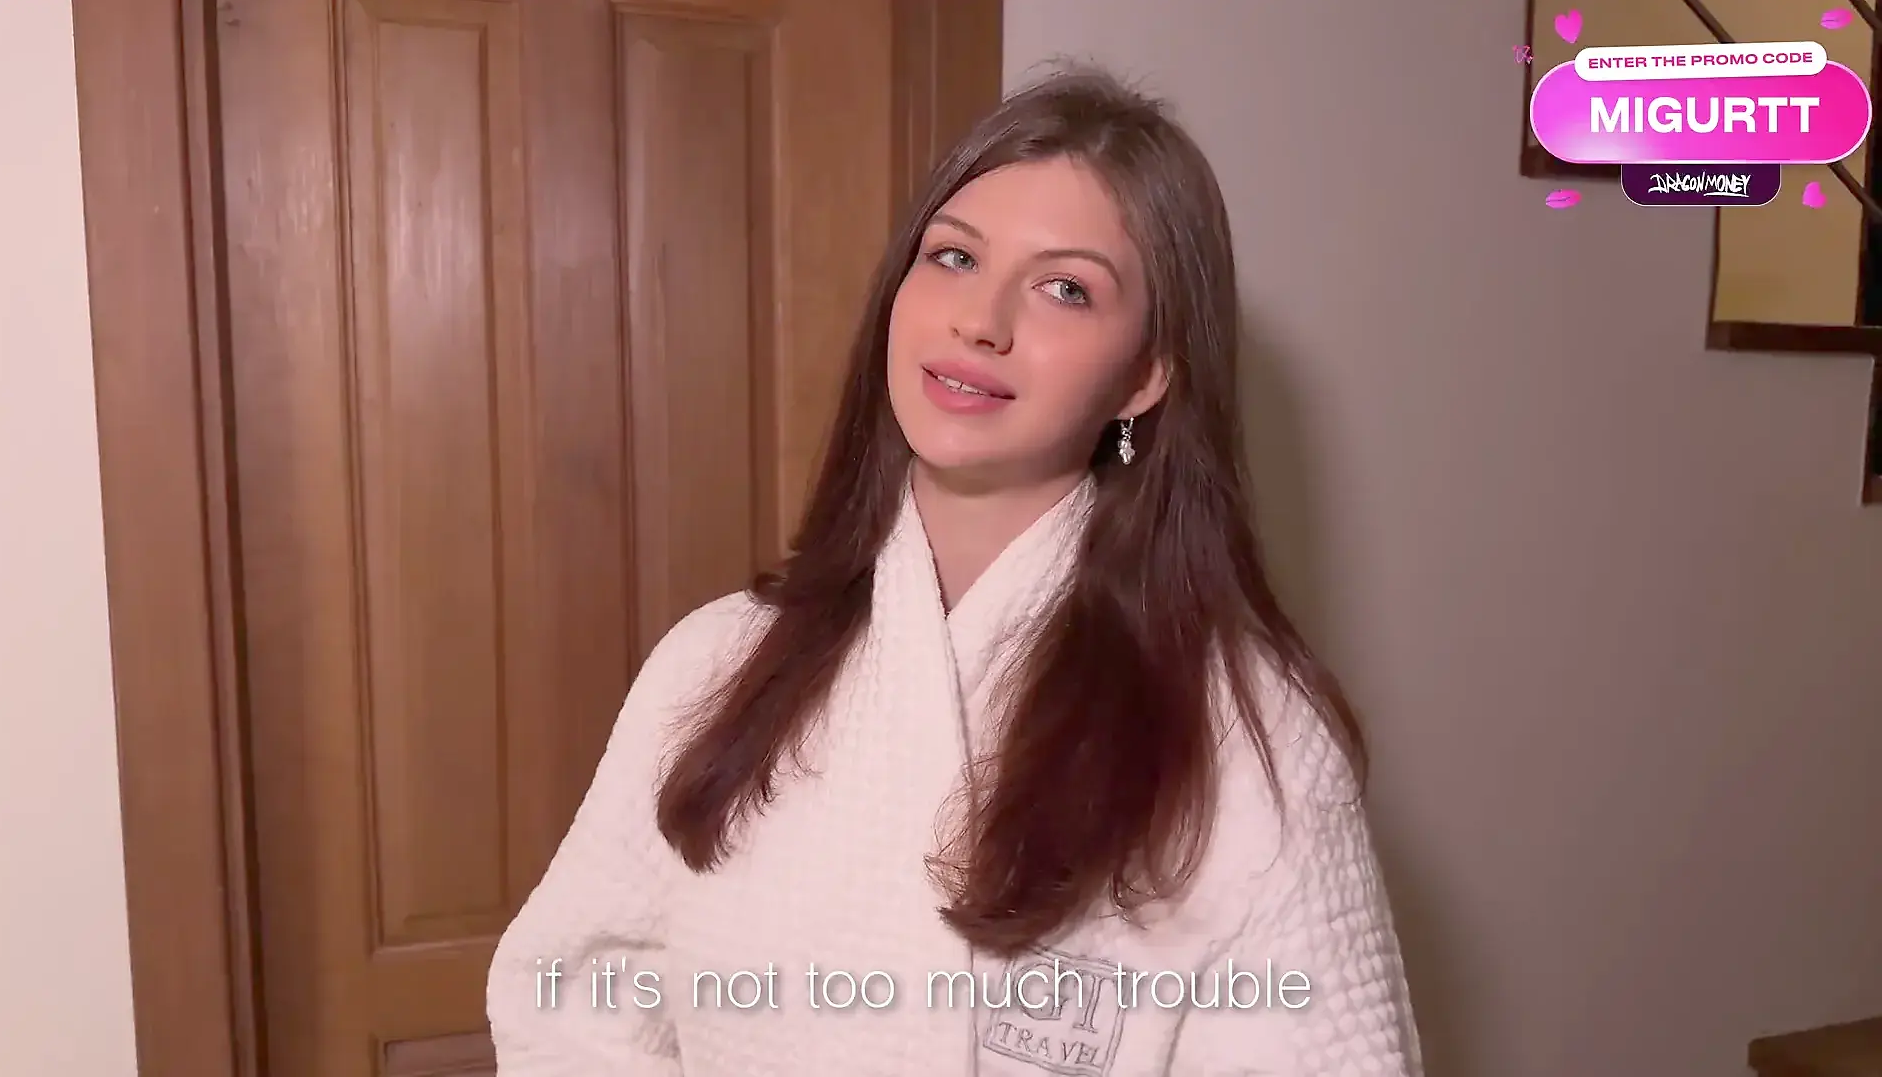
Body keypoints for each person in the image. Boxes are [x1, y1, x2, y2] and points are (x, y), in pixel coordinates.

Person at [486, 66, 1422, 1076]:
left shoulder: (1249, 739)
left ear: (1145, 376)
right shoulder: (715, 664)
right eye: (954, 257)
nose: (982, 320)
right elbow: (573, 1001)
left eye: (1066, 289)